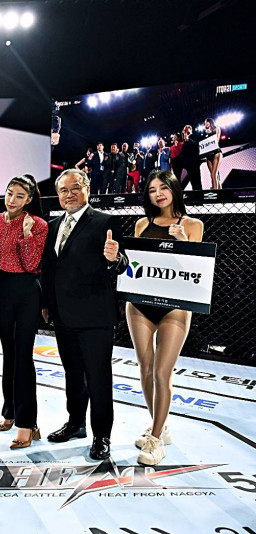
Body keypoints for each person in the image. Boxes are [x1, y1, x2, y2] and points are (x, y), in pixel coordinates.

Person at [41, 169, 128, 461]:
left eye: (75, 188)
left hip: (95, 318)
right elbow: (50, 270)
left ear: (87, 189)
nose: (69, 194)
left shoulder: (105, 222)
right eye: (63, 190)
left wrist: (115, 258)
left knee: (98, 378)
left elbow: (122, 263)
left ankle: (101, 436)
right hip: (63, 316)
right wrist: (47, 304)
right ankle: (75, 424)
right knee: (73, 375)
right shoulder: (53, 226)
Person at [126, 170, 203, 465]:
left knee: (162, 372)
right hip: (140, 304)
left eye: (163, 188)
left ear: (174, 189)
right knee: (145, 369)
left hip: (175, 305)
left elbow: (196, 271)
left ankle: (156, 440)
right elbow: (135, 264)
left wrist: (183, 242)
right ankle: (160, 428)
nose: (158, 194)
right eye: (152, 190)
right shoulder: (142, 224)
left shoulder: (193, 225)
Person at [0, 175, 48, 448]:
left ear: (29, 200)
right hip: (1, 291)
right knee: (9, 356)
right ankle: (9, 414)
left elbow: (32, 264)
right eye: (10, 193)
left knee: (22, 358)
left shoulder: (39, 225)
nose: (12, 200)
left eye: (20, 196)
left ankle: (27, 424)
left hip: (27, 292)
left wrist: (27, 235)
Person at [201, 118, 222, 189]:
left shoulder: (216, 129)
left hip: (216, 153)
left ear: (210, 122)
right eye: (205, 123)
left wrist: (209, 133)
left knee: (214, 174)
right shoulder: (204, 133)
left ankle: (215, 191)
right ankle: (219, 190)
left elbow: (217, 140)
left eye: (207, 122)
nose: (206, 124)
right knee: (213, 175)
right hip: (208, 155)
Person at [180, 124, 203, 191]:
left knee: (197, 180)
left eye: (187, 129)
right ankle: (195, 194)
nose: (185, 131)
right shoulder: (184, 140)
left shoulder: (194, 136)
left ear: (190, 129)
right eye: (184, 129)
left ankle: (200, 194)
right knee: (192, 181)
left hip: (194, 162)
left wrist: (188, 139)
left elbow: (196, 146)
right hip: (188, 164)